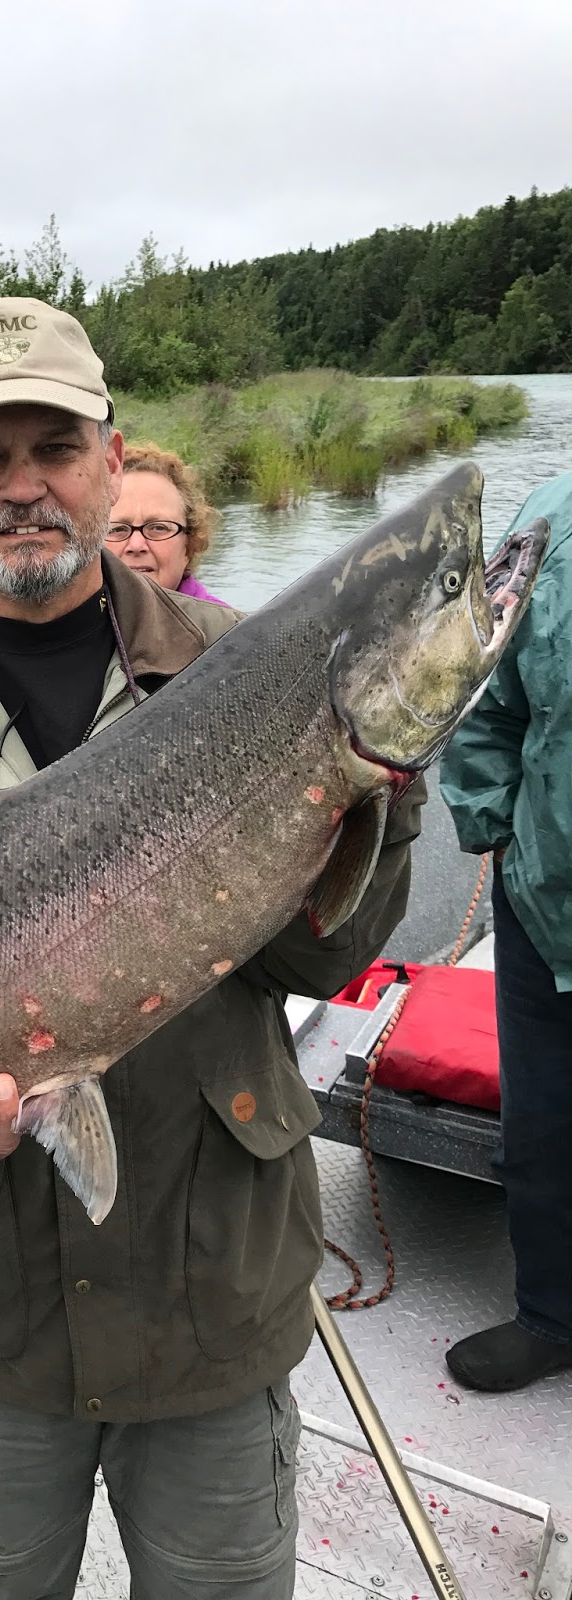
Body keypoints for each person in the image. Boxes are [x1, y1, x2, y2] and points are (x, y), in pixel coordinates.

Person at [0, 296, 424, 1600]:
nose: (22, 487)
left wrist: (386, 792)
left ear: (108, 455)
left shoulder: (247, 667)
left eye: (56, 448)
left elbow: (318, 966)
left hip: (213, 1290)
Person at [440, 472, 572, 1393]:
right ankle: (551, 1313)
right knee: (542, 1129)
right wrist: (493, 827)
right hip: (545, 903)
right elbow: (483, 693)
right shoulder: (546, 521)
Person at [107, 440, 227, 602]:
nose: (136, 546)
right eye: (117, 529)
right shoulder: (66, 622)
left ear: (188, 546)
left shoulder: (227, 626)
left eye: (158, 528)